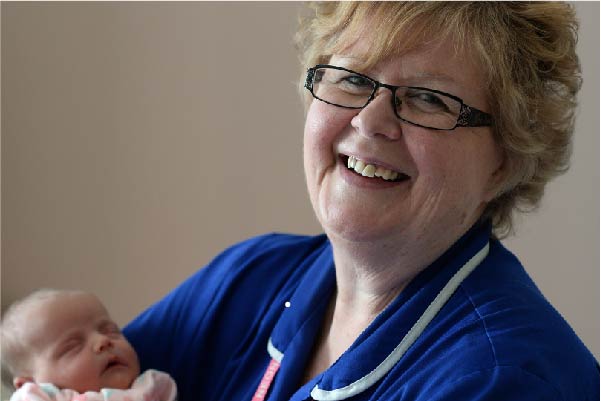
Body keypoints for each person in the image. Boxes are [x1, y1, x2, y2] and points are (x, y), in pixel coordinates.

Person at [124, 2, 599, 401]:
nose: (371, 122)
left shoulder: (502, 380)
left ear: (506, 157)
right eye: (351, 79)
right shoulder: (249, 280)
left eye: (429, 99)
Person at [0, 289, 177, 401]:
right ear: (29, 383)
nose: (103, 341)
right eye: (72, 346)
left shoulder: (153, 387)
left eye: (110, 331)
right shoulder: (39, 397)